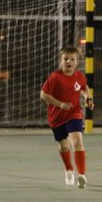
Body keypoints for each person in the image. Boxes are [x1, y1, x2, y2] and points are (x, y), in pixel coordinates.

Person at [40, 46, 94, 189]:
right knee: (64, 146)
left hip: (74, 114)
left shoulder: (79, 76)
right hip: (57, 117)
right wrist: (60, 104)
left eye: (72, 59)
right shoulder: (55, 77)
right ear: (60, 61)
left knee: (77, 141)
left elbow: (84, 87)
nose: (68, 62)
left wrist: (88, 98)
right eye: (65, 59)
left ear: (77, 62)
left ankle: (81, 175)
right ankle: (69, 169)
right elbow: (43, 95)